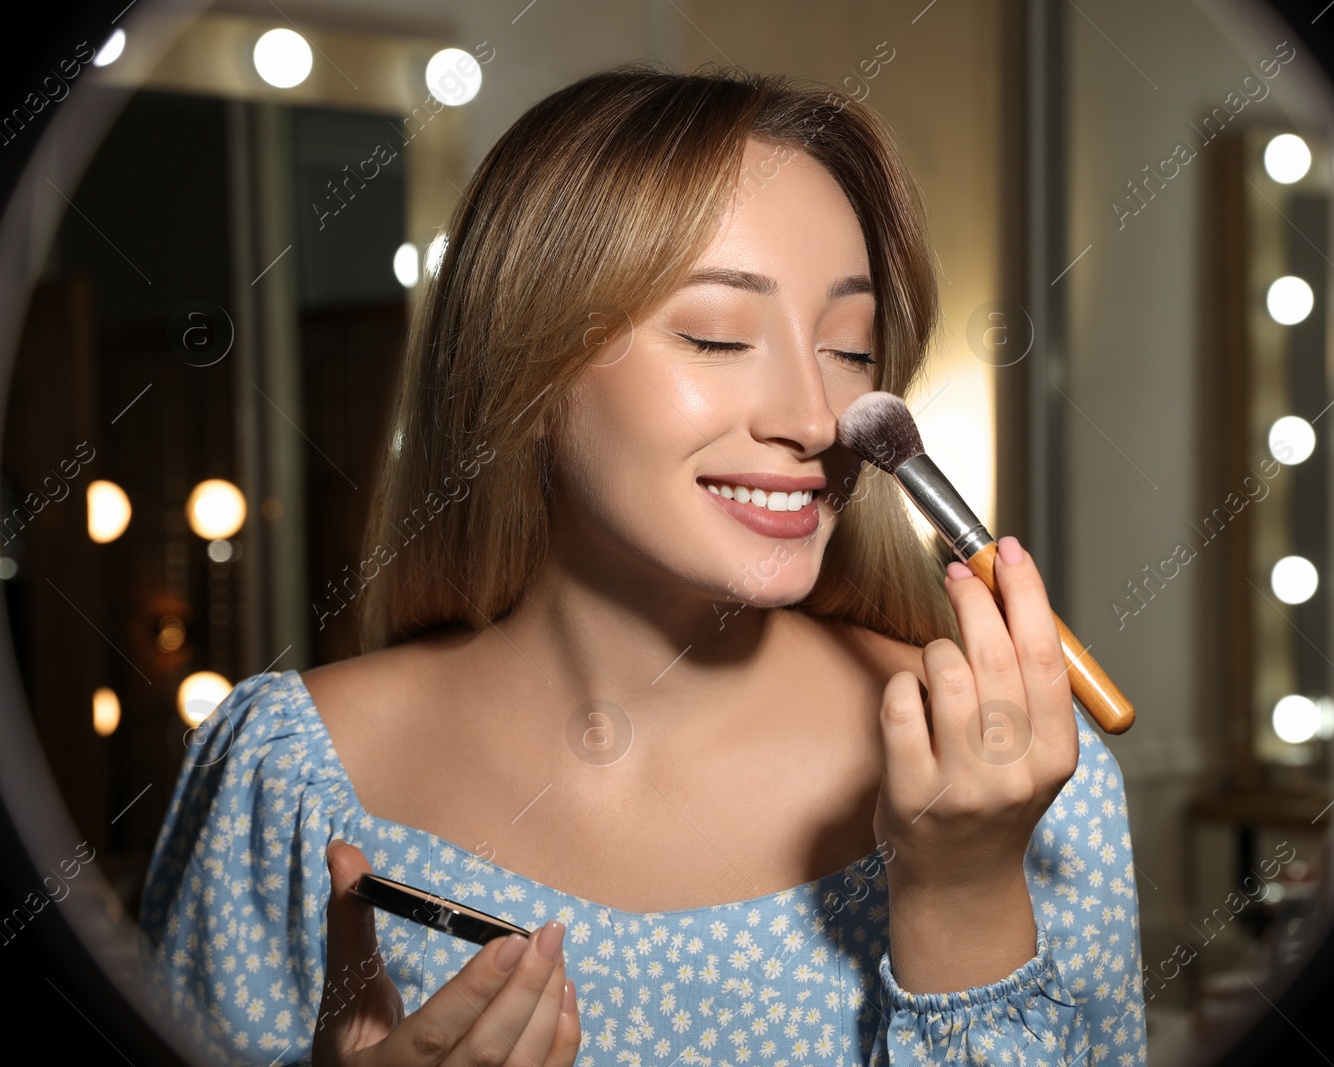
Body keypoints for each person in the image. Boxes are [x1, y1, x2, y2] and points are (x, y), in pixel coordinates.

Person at [138, 62, 1148, 1066]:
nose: (811, 418)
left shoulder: (1015, 783)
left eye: (850, 347)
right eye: (715, 336)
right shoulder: (287, 774)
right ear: (524, 369)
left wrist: (962, 899)